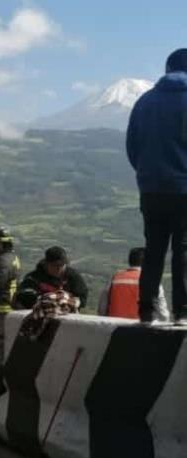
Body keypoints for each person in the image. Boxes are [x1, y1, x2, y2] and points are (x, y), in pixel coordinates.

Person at [126, 48, 187, 325]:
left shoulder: (145, 101)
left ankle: (147, 312)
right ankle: (182, 312)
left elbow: (132, 147)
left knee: (154, 250)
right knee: (183, 250)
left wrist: (146, 174)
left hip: (151, 189)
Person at [98, 248, 170, 321]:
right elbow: (163, 315)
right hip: (141, 327)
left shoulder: (114, 279)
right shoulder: (152, 281)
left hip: (115, 327)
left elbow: (102, 310)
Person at [13, 246, 89, 310]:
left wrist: (71, 302)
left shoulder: (73, 277)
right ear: (46, 264)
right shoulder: (33, 278)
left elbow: (82, 298)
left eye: (61, 265)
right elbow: (22, 298)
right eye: (55, 265)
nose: (59, 269)